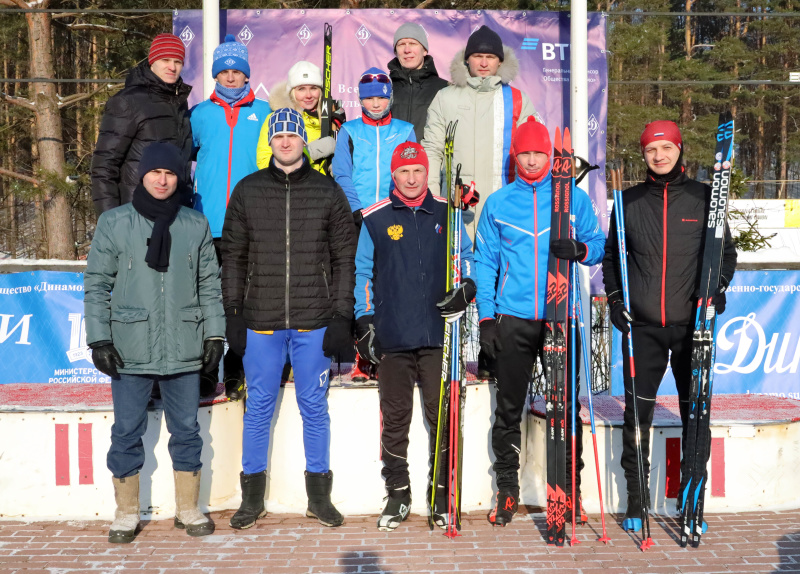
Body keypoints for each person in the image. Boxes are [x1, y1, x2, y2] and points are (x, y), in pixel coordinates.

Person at [221, 108, 357, 530]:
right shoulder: (247, 190)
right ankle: (251, 499)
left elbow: (344, 260)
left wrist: (341, 317)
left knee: (313, 406)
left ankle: (319, 498)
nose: (285, 142)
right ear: (271, 142)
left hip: (313, 319)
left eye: (292, 136)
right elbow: (233, 257)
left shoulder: (327, 191)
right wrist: (233, 314)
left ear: (303, 141)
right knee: (258, 407)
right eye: (277, 135)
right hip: (261, 319)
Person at [84, 142, 225, 543]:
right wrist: (100, 339)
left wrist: (214, 334)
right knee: (127, 430)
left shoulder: (195, 224)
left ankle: (188, 508)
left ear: (178, 178)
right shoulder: (115, 223)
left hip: (183, 343)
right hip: (131, 345)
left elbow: (209, 286)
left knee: (187, 430)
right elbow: (97, 284)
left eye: (169, 173)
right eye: (155, 173)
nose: (162, 180)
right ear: (142, 176)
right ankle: (126, 512)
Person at [602, 120, 737, 533]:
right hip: (643, 329)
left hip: (691, 327)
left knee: (695, 414)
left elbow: (725, 254)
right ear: (643, 156)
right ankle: (638, 503)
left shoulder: (703, 198)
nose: (659, 156)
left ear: (679, 149)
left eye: (666, 148)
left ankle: (691, 497)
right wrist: (615, 301)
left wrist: (717, 292)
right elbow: (611, 259)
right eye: (650, 150)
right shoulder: (627, 202)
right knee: (636, 418)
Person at [474, 118, 605, 526]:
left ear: (551, 157)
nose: (532, 160)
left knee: (565, 410)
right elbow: (485, 262)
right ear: (516, 156)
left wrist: (580, 249)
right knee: (509, 408)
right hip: (513, 319)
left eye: (539, 153)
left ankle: (571, 493)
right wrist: (486, 318)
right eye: (525, 153)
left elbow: (600, 245)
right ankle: (507, 491)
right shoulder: (497, 203)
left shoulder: (573, 199)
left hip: (561, 316)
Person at [353, 142, 475, 531]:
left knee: (443, 416)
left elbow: (467, 260)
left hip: (440, 336)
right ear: (393, 175)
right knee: (395, 419)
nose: (411, 178)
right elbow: (362, 274)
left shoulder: (447, 212)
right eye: (403, 172)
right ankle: (398, 494)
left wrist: (465, 290)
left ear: (427, 173)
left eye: (417, 171)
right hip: (393, 336)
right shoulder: (374, 218)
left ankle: (440, 496)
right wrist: (365, 320)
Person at [189, 34, 271, 399]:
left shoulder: (264, 112)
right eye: (225, 71)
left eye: (238, 71)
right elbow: (181, 161)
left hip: (249, 223)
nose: (232, 77)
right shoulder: (200, 115)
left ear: (247, 74)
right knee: (206, 299)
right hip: (206, 221)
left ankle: (237, 372)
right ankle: (206, 373)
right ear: (216, 75)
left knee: (242, 301)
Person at [422, 25, 541, 237]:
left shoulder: (518, 100)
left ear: (500, 61)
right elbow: (432, 151)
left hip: (506, 209)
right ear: (467, 59)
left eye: (490, 57)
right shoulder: (445, 97)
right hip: (457, 207)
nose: (484, 63)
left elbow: (533, 155)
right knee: (460, 269)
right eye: (477, 56)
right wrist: (433, 198)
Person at [92, 33, 193, 214]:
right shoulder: (128, 102)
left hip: (175, 213)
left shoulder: (179, 104)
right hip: (135, 213)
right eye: (165, 59)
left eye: (178, 62)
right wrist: (111, 221)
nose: (172, 67)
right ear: (152, 61)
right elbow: (104, 167)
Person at [332, 67, 416, 219]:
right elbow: (342, 174)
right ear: (360, 100)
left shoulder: (405, 131)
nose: (376, 104)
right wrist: (355, 209)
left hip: (396, 212)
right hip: (359, 214)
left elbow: (412, 174)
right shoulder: (349, 130)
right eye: (369, 98)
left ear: (390, 98)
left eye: (381, 98)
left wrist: (402, 206)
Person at [256, 61, 344, 173]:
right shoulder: (276, 119)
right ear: (292, 92)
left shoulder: (330, 119)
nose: (308, 95)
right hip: (290, 188)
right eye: (301, 89)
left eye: (313, 88)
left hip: (322, 188)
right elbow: (264, 163)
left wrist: (337, 168)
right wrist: (309, 153)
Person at [387, 23, 449, 142]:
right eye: (401, 44)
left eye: (413, 43)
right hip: (392, 160)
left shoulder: (444, 89)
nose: (407, 50)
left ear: (424, 50)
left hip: (429, 159)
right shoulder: (385, 88)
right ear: (395, 51)